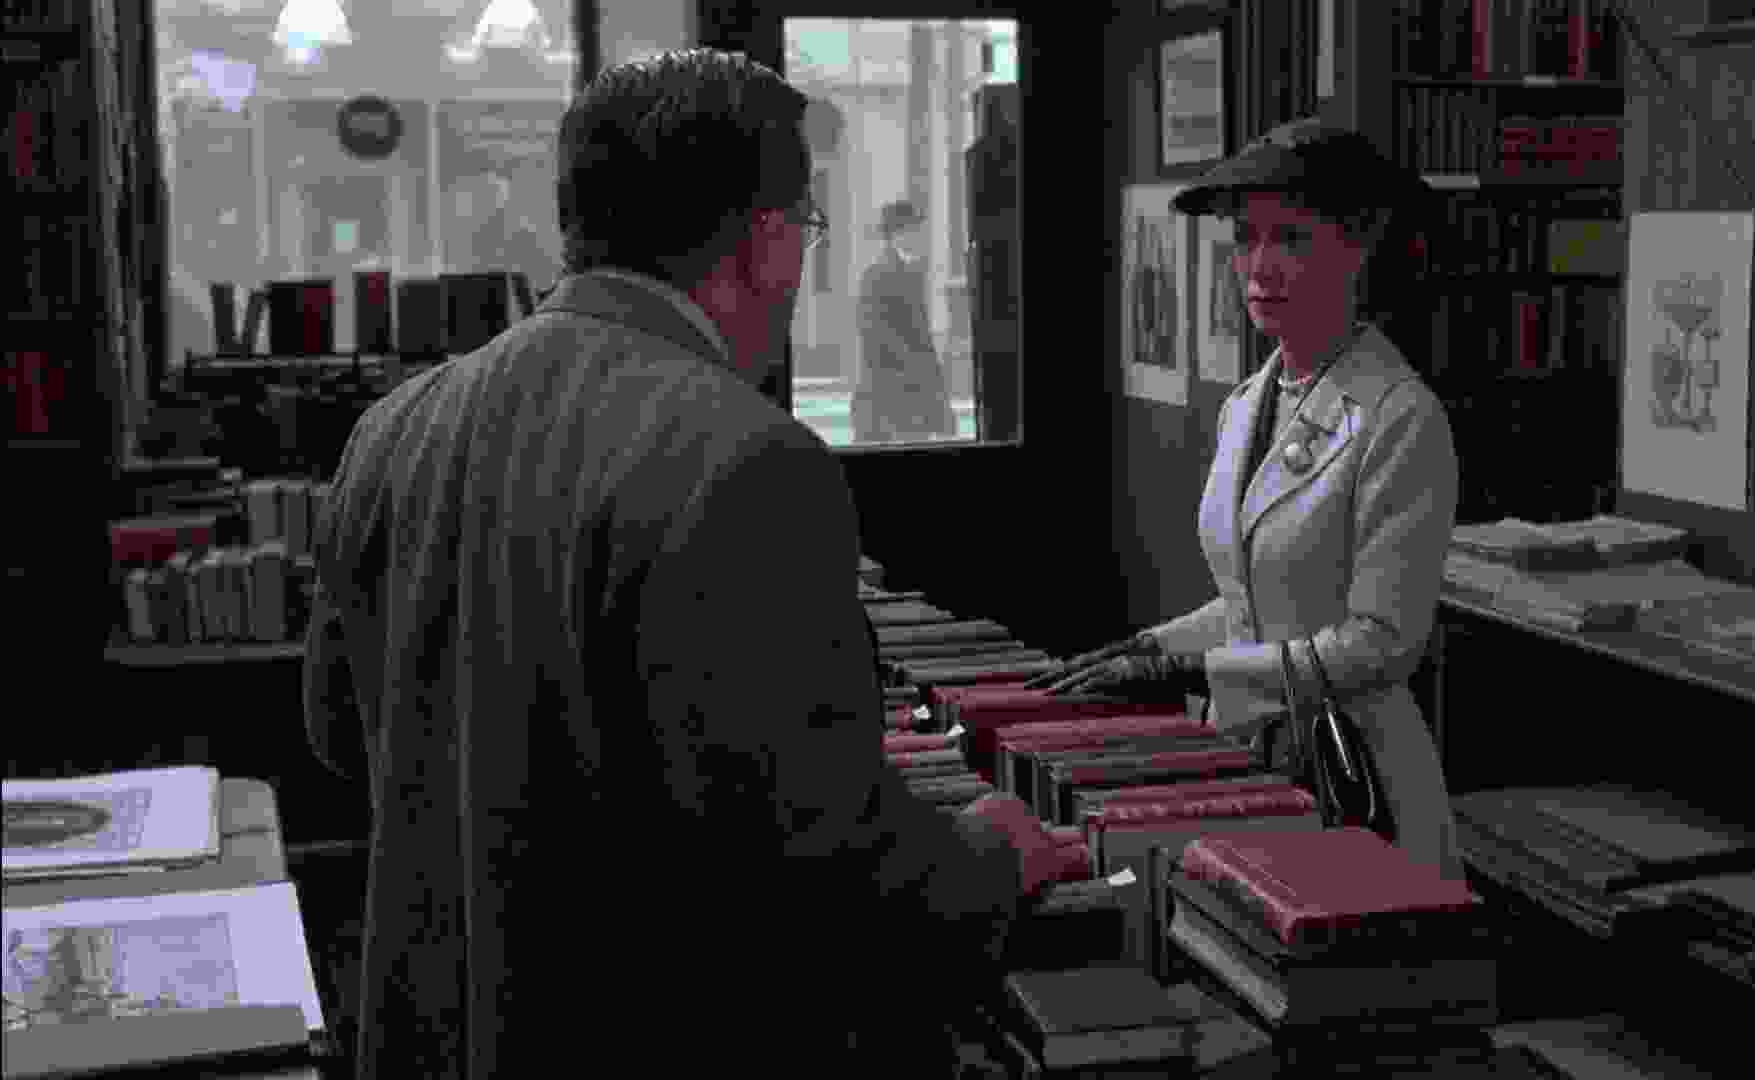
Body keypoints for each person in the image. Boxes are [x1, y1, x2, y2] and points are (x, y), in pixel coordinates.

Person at [302, 50, 1075, 1079]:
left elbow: (338, 738)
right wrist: (992, 853)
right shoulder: (747, 456)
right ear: (765, 240)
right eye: (808, 226)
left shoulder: (393, 429)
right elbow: (825, 867)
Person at [1029, 119, 1463, 880]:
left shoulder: (1399, 415)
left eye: (1291, 239)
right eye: (1245, 239)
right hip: (1247, 761)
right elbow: (1254, 605)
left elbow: (1382, 642)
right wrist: (1151, 647)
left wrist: (1201, 672)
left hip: (1353, 774)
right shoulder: (1245, 406)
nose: (1259, 266)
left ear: (1358, 247)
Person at [852, 199, 957, 441]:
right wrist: (915, 369)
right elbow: (873, 333)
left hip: (913, 392)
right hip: (890, 393)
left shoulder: (911, 271)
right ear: (897, 235)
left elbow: (922, 339)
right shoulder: (877, 274)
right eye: (913, 229)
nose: (919, 235)